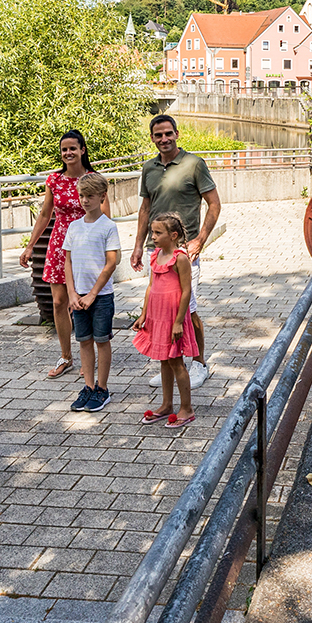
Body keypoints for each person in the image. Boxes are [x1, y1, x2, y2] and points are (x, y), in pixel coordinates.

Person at [131, 115, 218, 373]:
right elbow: (145, 209)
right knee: (160, 310)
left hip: (184, 251)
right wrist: (138, 245)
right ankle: (170, 365)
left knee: (187, 309)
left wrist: (200, 239)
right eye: (158, 135)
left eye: (168, 133)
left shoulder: (194, 164)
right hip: (155, 249)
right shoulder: (149, 168)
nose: (164, 139)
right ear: (152, 138)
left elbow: (214, 204)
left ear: (177, 134)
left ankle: (199, 363)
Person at [21, 130, 93, 383]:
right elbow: (44, 214)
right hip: (59, 244)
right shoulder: (53, 180)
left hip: (85, 246)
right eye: (64, 149)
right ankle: (66, 356)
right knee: (59, 302)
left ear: (82, 150)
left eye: (73, 148)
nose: (68, 153)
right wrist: (30, 245)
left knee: (85, 302)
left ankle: (88, 358)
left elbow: (105, 216)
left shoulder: (94, 180)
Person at [60, 172, 122, 413]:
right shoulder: (74, 227)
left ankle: (102, 388)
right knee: (84, 341)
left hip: (101, 296)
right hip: (78, 297)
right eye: (82, 196)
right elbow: (67, 262)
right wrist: (72, 294)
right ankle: (87, 386)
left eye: (90, 196)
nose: (85, 200)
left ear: (102, 196)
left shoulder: (108, 227)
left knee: (101, 340)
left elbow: (111, 263)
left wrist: (93, 294)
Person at [135, 214, 198, 427]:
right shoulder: (155, 256)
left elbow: (187, 290)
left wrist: (179, 321)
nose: (153, 236)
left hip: (173, 318)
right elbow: (151, 286)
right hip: (157, 316)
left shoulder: (180, 258)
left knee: (176, 361)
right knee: (163, 359)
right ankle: (167, 404)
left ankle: (187, 408)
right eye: (152, 232)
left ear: (173, 235)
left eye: (158, 233)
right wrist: (144, 314)